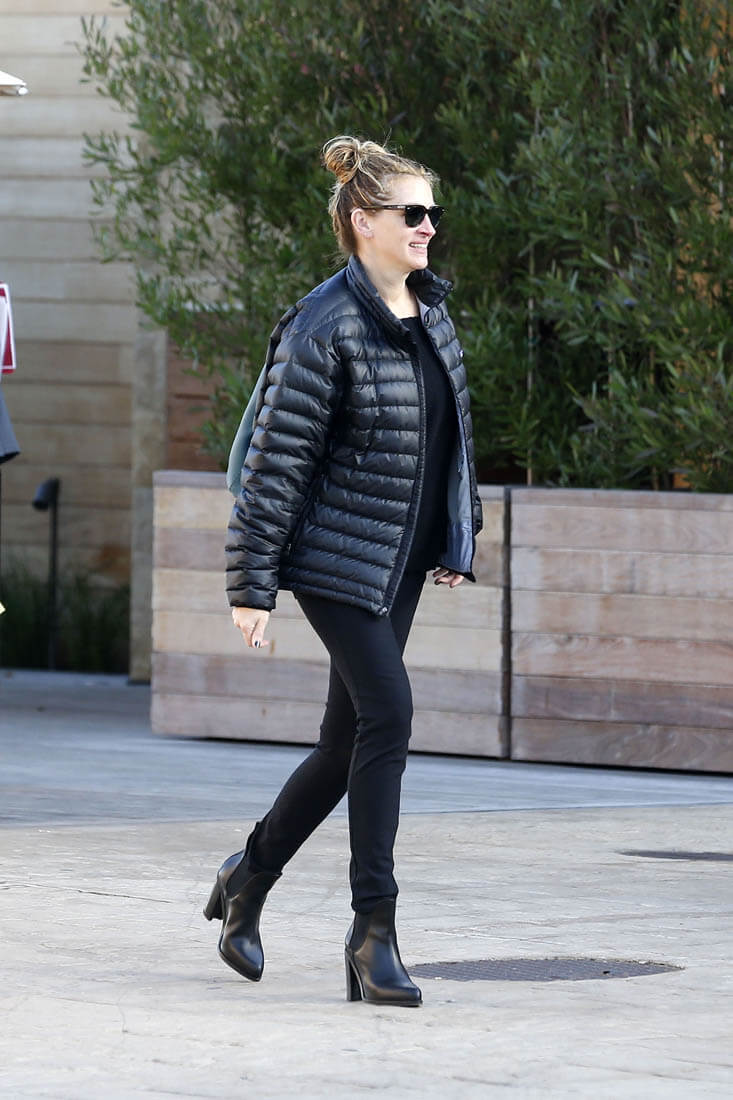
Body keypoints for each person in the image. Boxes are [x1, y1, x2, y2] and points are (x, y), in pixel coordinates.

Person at [204, 135, 483, 1008]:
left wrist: (455, 536)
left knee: (344, 741)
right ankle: (374, 933)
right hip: (332, 557)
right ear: (363, 221)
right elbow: (275, 463)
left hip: (396, 560)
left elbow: (450, 439)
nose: (427, 225)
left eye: (432, 211)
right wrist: (251, 584)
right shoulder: (322, 325)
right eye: (412, 212)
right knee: (388, 714)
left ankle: (248, 875)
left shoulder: (430, 311)